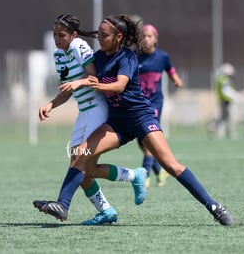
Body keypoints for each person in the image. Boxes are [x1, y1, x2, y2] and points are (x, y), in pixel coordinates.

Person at [34, 14, 233, 226]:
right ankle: (63, 205)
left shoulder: (127, 57)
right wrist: (58, 98)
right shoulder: (99, 57)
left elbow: (119, 86)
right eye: (98, 34)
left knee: (171, 165)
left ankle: (214, 207)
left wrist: (83, 84)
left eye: (104, 35)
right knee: (81, 156)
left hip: (140, 117)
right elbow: (85, 78)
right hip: (117, 122)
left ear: (118, 36)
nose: (99, 38)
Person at [34, 13, 147, 225]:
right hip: (84, 111)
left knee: (80, 159)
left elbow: (93, 78)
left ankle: (63, 204)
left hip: (97, 109)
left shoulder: (79, 46)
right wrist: (51, 104)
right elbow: (68, 90)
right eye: (54, 35)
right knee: (80, 165)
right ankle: (114, 200)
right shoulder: (58, 55)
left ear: (73, 35)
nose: (57, 39)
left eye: (62, 35)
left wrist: (78, 82)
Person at [137, 24, 183, 187]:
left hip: (155, 103)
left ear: (155, 39)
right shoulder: (135, 57)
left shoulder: (162, 56)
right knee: (142, 142)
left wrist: (176, 79)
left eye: (149, 36)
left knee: (148, 136)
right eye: (143, 36)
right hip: (139, 104)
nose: (146, 39)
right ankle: (160, 170)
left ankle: (144, 176)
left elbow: (171, 70)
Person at [214, 63, 240, 139]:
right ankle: (225, 131)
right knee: (226, 116)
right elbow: (226, 91)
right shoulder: (224, 80)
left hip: (224, 100)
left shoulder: (222, 79)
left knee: (225, 116)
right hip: (225, 101)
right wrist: (235, 96)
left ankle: (219, 129)